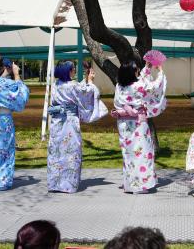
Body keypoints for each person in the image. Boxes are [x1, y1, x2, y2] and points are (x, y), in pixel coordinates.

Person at [47, 60, 108, 193]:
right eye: (73, 68)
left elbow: (77, 90)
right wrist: (90, 81)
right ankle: (69, 185)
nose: (74, 70)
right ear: (68, 71)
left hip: (57, 122)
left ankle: (55, 183)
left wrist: (86, 80)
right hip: (69, 122)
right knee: (71, 151)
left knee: (57, 152)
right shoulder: (72, 86)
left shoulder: (56, 85)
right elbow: (84, 92)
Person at [112, 60, 167, 194]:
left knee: (128, 153)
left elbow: (140, 80)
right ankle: (141, 185)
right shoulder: (139, 86)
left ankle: (130, 185)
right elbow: (155, 87)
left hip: (124, 124)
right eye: (136, 69)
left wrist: (147, 69)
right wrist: (160, 72)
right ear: (133, 72)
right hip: (138, 123)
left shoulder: (119, 86)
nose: (138, 71)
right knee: (142, 152)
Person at [0, 58, 29, 191]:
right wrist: (17, 75)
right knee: (5, 150)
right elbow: (22, 97)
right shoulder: (8, 84)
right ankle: (2, 180)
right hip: (3, 120)